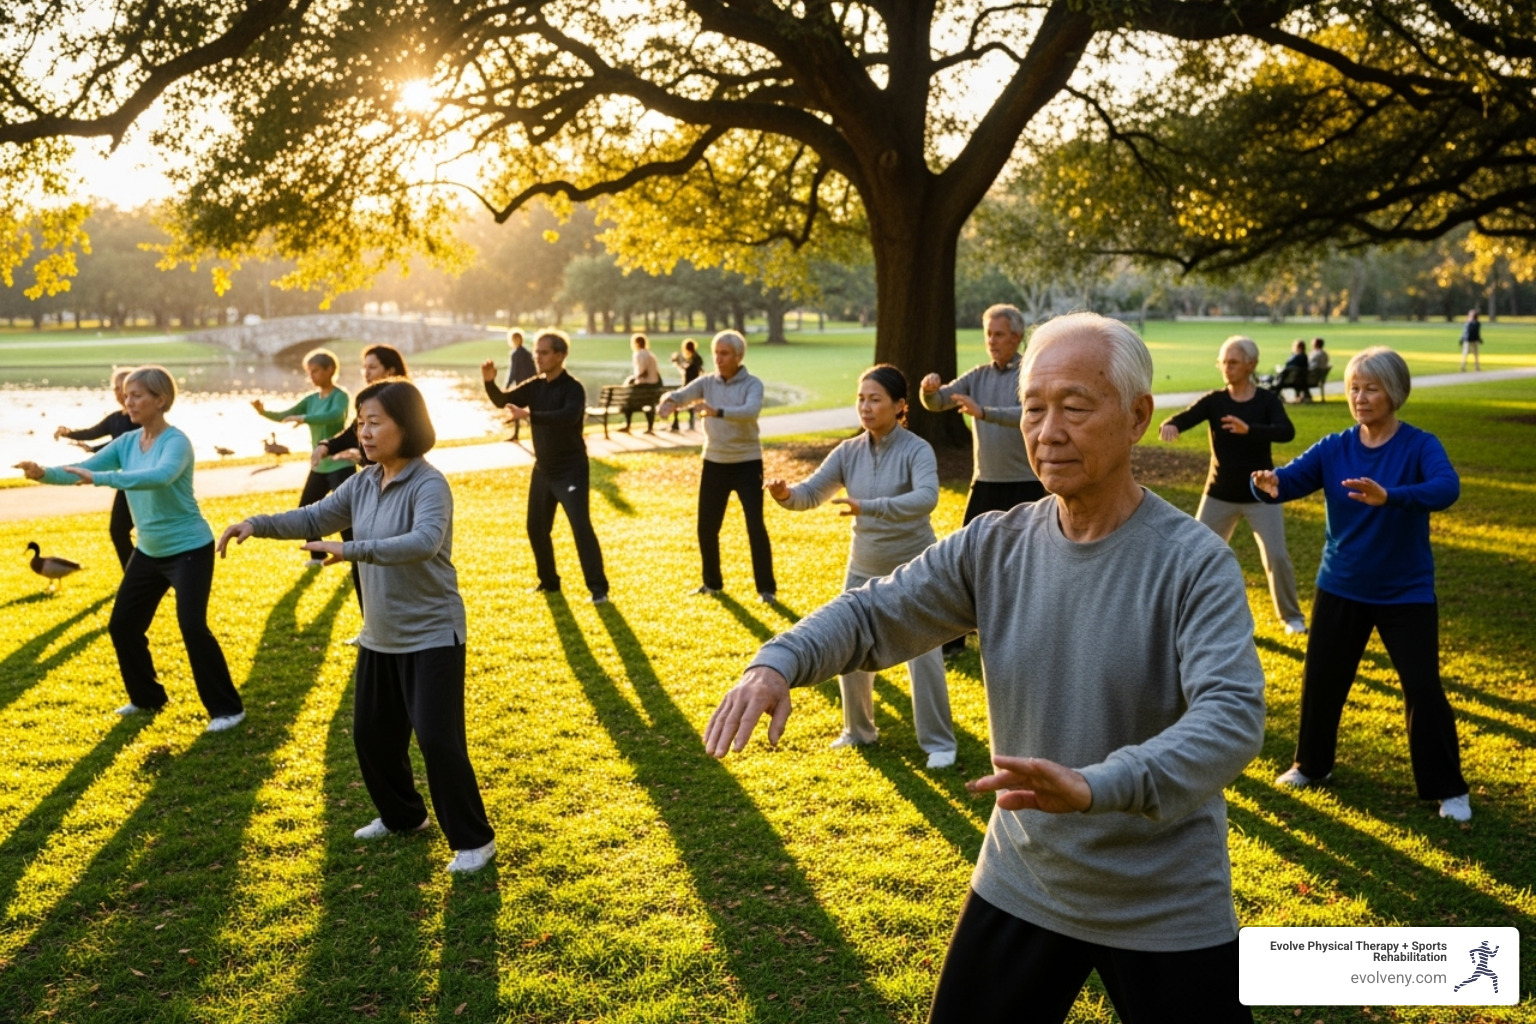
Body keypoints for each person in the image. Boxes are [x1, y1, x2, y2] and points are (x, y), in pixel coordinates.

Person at [705, 312, 1264, 1023]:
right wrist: (777, 664)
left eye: (1075, 407)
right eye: (1033, 408)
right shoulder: (995, 546)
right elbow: (875, 612)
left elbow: (1231, 718)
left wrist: (1099, 786)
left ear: (1137, 417)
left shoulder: (1193, 563)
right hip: (1025, 876)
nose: (1047, 431)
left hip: (1164, 899)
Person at [218, 379, 496, 873]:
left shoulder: (430, 484)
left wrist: (351, 549)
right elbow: (314, 516)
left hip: (432, 633)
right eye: (361, 422)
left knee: (437, 737)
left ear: (406, 426)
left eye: (375, 423)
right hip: (381, 635)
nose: (364, 433)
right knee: (371, 735)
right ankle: (404, 817)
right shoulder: (363, 482)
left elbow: (424, 542)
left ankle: (475, 840)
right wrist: (256, 524)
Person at [1252, 346, 1471, 821]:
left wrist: (1391, 495)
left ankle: (1448, 788)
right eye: (1354, 388)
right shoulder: (1336, 447)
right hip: (1342, 584)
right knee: (1323, 680)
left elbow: (1445, 488)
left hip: (1405, 591)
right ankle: (1311, 766)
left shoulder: (1419, 445)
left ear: (1393, 392)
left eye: (1371, 388)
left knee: (1422, 688)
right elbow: (1290, 480)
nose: (1360, 397)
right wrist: (1269, 483)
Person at [16, 366, 245, 733]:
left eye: (137, 395)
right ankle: (147, 697)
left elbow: (159, 477)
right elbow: (83, 468)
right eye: (126, 394)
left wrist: (104, 479)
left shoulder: (176, 442)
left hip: (189, 549)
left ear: (161, 400)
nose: (128, 400)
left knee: (192, 626)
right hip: (149, 551)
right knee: (123, 626)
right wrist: (43, 472)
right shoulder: (127, 442)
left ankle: (227, 710)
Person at [767, 365, 958, 768]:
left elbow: (927, 499)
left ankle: (939, 743)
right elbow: (812, 493)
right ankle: (858, 731)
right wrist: (786, 495)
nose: (866, 407)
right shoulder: (848, 451)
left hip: (915, 566)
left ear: (900, 405)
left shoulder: (916, 450)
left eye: (875, 399)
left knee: (924, 655)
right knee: (848, 648)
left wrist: (869, 507)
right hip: (863, 568)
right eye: (861, 399)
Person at [1159, 336, 1306, 634]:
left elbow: (1286, 431)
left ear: (1251, 364)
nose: (1226, 367)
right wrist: (1171, 424)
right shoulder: (1215, 401)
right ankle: (1183, 614)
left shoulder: (1266, 400)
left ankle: (1291, 617)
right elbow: (1186, 417)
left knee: (1276, 555)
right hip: (1220, 492)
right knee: (1195, 554)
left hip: (1260, 494)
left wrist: (1249, 429)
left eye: (1233, 362)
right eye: (1223, 362)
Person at [920, 303, 1044, 655]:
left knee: (1030, 563)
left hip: (1026, 483)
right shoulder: (977, 375)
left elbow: (1030, 412)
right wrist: (928, 391)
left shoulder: (1029, 374)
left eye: (999, 334)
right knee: (965, 559)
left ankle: (1027, 634)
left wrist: (984, 412)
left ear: (1017, 337)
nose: (991, 340)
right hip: (986, 482)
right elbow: (939, 401)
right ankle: (954, 640)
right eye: (988, 333)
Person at [481, 330, 609, 603]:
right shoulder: (535, 386)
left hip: (571, 468)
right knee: (536, 527)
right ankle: (549, 582)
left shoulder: (573, 388)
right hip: (544, 469)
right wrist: (489, 383)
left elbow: (568, 416)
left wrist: (530, 414)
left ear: (560, 355)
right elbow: (503, 400)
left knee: (580, 527)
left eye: (544, 352)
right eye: (536, 352)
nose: (537, 357)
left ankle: (599, 590)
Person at [656, 330, 777, 602]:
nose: (719, 359)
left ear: (738, 356)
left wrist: (716, 411)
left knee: (755, 526)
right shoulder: (707, 382)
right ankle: (712, 584)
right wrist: (669, 401)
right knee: (706, 527)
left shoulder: (752, 384)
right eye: (716, 353)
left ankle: (766, 590)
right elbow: (683, 394)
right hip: (714, 463)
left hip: (747, 463)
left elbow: (750, 411)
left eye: (725, 354)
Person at [312, 344, 411, 621]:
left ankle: (393, 622)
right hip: (370, 492)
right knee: (361, 558)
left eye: (372, 367)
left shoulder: (405, 403)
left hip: (396, 493)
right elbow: (348, 435)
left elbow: (409, 448)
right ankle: (370, 624)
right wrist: (325, 444)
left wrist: (363, 456)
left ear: (390, 370)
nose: (366, 372)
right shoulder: (367, 402)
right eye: (364, 367)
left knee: (388, 561)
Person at [252, 348, 353, 567]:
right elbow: (284, 416)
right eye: (309, 372)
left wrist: (305, 418)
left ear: (330, 370)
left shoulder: (341, 396)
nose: (311, 376)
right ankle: (318, 557)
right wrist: (263, 411)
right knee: (306, 509)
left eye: (315, 371)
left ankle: (354, 553)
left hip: (341, 464)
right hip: (319, 466)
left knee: (347, 513)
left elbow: (334, 415)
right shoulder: (311, 399)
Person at [53, 367, 136, 568]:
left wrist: (95, 449)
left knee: (145, 533)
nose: (117, 392)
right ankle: (136, 577)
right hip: (124, 483)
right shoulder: (115, 418)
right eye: (115, 388)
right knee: (118, 531)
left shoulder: (140, 419)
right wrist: (69, 433)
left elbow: (121, 445)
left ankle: (144, 578)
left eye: (122, 388)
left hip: (142, 480)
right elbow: (93, 432)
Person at [620, 332, 662, 433]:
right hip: (653, 387)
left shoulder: (638, 354)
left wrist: (632, 379)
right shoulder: (650, 355)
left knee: (627, 402)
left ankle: (628, 425)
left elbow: (641, 371)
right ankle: (650, 427)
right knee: (649, 404)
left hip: (644, 386)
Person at [504, 330, 537, 440]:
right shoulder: (528, 353)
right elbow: (534, 370)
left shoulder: (515, 354)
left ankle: (516, 434)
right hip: (531, 384)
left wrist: (507, 386)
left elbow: (513, 372)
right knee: (531, 409)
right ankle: (533, 434)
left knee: (517, 408)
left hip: (520, 385)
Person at [668, 338, 704, 431]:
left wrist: (677, 363)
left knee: (676, 400)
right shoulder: (697, 358)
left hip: (690, 387)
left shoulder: (693, 360)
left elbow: (687, 372)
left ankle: (676, 423)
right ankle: (689, 423)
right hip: (695, 387)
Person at [1308, 337, 1332, 402]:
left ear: (1315, 344)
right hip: (1319, 378)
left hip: (1312, 378)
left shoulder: (1315, 354)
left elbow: (1311, 366)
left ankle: (1306, 396)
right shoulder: (1325, 354)